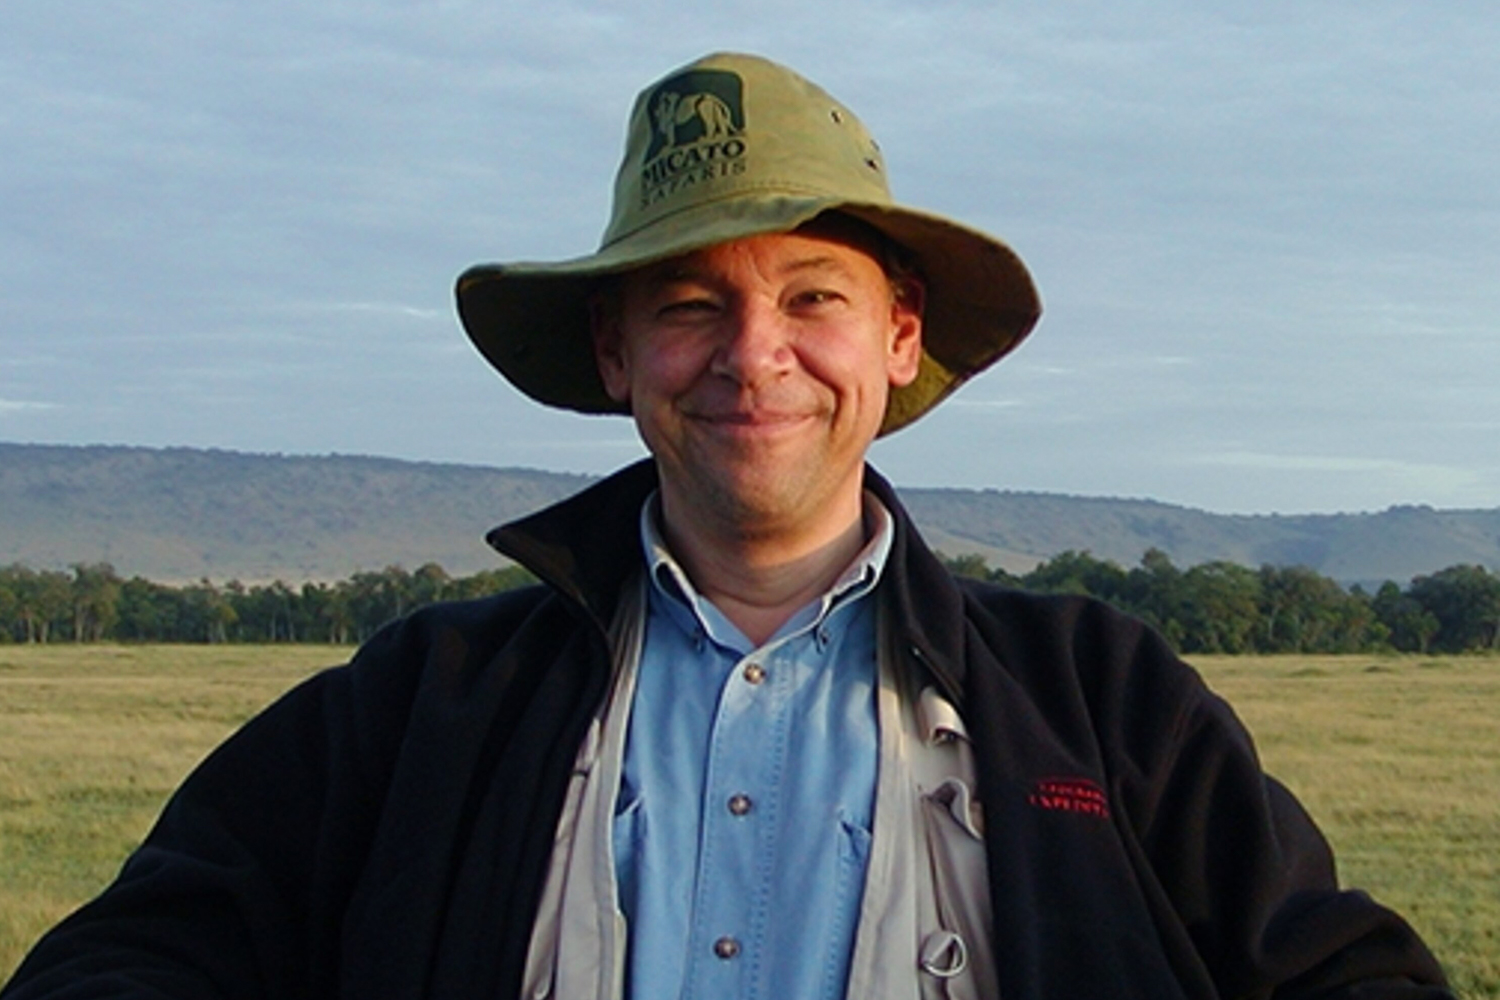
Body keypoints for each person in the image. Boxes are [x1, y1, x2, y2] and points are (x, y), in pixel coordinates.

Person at [3, 52, 1452, 1000]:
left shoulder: (1098, 697)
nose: (753, 356)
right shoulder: (425, 703)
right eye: (691, 304)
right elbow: (142, 960)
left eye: (811, 296)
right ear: (619, 354)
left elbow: (1334, 976)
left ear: (895, 341)